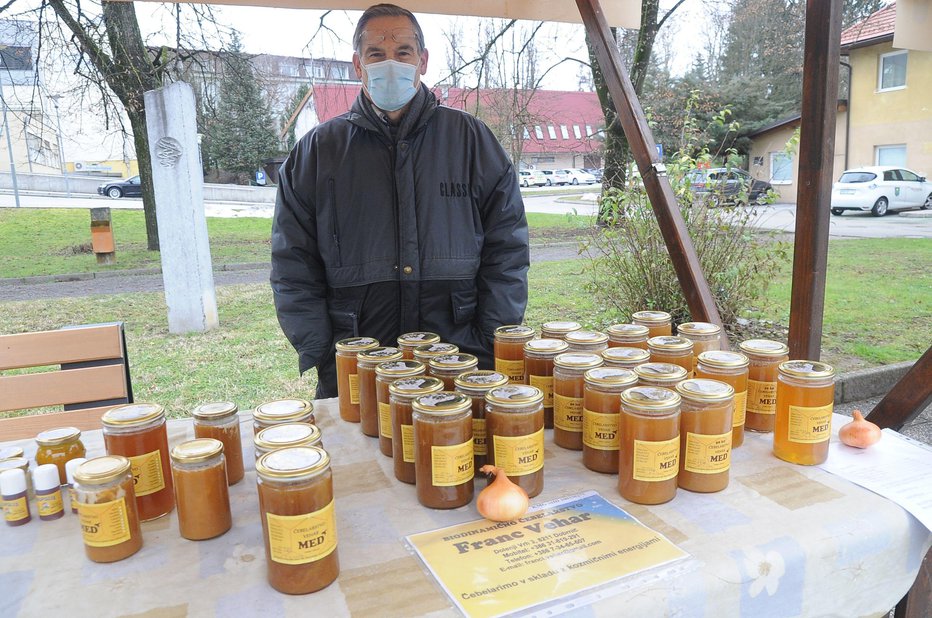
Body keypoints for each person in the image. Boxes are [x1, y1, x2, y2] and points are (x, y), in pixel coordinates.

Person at [271, 3, 529, 398]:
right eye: (376, 54)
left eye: (403, 52)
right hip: (358, 367)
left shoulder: (471, 142)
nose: (390, 62)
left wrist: (490, 339)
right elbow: (293, 265)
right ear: (358, 65)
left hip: (461, 361)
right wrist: (323, 352)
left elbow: (507, 250)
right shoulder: (318, 152)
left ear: (422, 61)